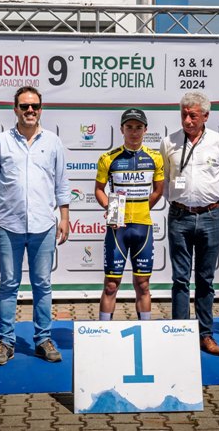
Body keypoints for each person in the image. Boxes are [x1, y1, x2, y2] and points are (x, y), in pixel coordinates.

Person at [0, 86, 71, 366]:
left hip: (44, 226)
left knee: (43, 284)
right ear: (15, 108)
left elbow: (62, 183)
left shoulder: (53, 142)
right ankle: (6, 341)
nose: (30, 110)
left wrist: (65, 217)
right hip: (9, 226)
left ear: (41, 109)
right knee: (8, 285)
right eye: (25, 106)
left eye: (35, 106)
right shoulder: (1, 141)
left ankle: (43, 339)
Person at [160, 92, 219, 356]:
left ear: (205, 116)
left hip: (210, 216)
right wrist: (181, 201)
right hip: (179, 217)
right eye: (184, 115)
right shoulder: (168, 142)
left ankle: (205, 335)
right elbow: (165, 180)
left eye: (193, 115)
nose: (187, 120)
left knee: (205, 279)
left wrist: (207, 201)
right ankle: (179, 334)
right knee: (180, 278)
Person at [95, 108, 164, 321]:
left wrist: (141, 209)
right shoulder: (108, 158)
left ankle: (145, 331)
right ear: (122, 129)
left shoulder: (155, 157)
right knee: (111, 284)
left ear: (145, 130)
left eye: (138, 128)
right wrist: (111, 209)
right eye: (129, 127)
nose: (134, 132)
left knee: (143, 284)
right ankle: (103, 332)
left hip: (143, 227)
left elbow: (158, 191)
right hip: (118, 229)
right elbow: (99, 190)